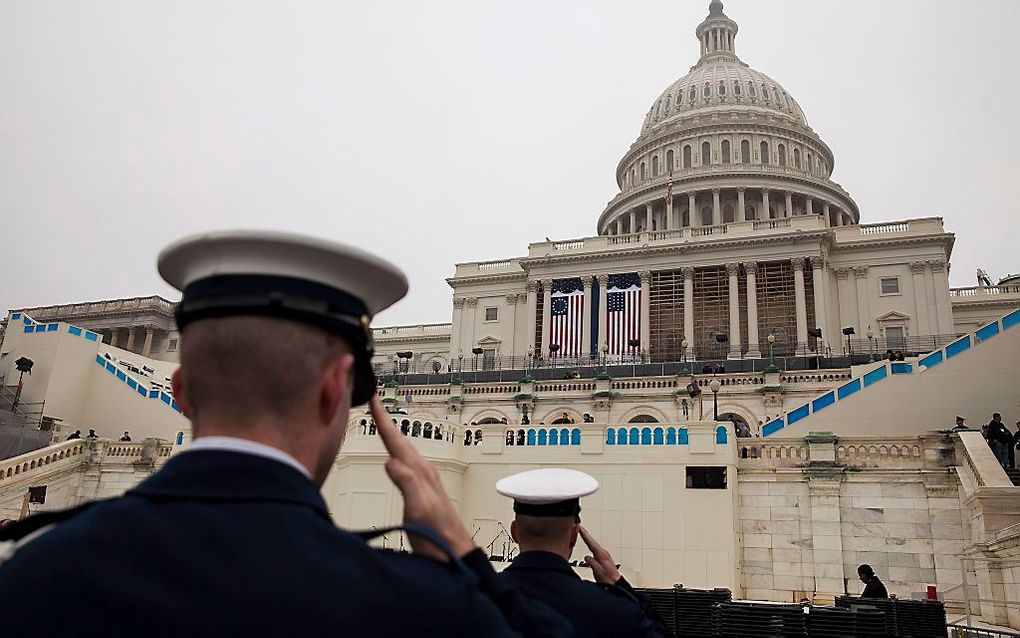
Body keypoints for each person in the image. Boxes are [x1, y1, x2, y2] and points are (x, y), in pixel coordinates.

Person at [0, 231, 570, 637]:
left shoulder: (32, 572)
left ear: (179, 391)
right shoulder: (418, 605)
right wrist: (463, 556)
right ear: (334, 391)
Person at [496, 468, 668, 637]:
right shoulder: (612, 610)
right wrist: (618, 584)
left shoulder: (476, 600)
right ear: (574, 536)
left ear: (514, 532)